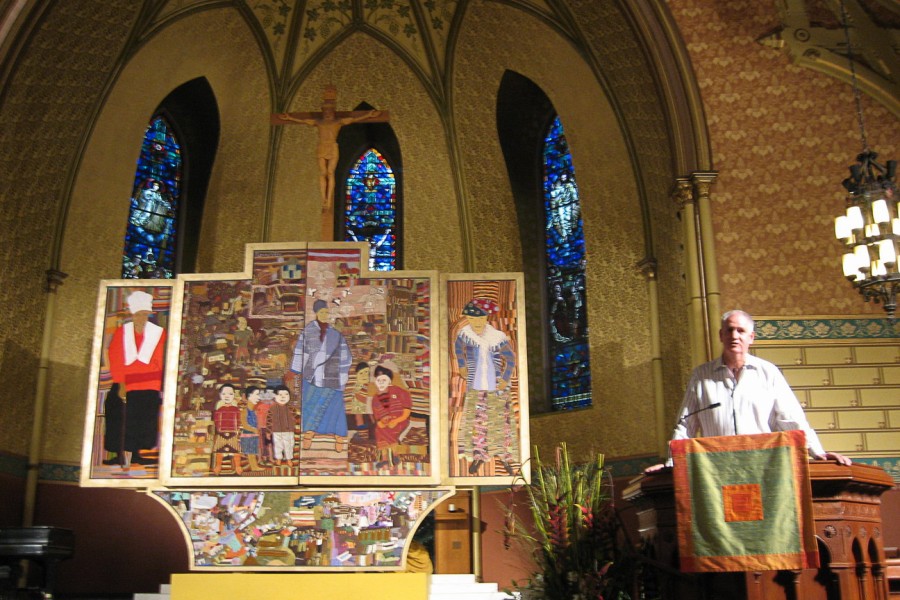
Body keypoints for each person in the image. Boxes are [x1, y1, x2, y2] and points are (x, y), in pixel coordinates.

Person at [645, 310, 851, 473]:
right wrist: (672, 463)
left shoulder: (768, 372)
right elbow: (685, 424)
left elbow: (791, 419)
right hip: (716, 470)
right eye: (729, 330)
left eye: (741, 331)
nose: (734, 336)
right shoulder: (701, 375)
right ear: (721, 335)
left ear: (751, 337)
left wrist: (818, 453)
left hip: (761, 467)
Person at [454, 297, 518, 475]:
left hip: (495, 387)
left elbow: (510, 358)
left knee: (499, 422)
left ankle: (503, 457)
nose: (476, 322)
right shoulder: (466, 335)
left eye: (480, 318)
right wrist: (462, 365)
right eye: (472, 319)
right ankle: (479, 456)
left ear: (486, 318)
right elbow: (458, 347)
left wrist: (505, 378)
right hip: (476, 385)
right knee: (478, 422)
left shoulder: (497, 338)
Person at [106, 290, 166, 468]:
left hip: (149, 383)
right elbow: (116, 357)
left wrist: (155, 381)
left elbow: (159, 358)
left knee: (144, 419)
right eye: (138, 315)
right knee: (118, 415)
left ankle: (137, 454)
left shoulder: (158, 333)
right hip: (125, 381)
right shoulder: (122, 332)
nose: (141, 318)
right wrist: (121, 383)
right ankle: (119, 454)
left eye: (145, 315)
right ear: (133, 314)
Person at [289, 299, 352, 453]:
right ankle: (309, 434)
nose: (325, 315)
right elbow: (300, 352)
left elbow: (346, 356)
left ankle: (339, 436)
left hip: (333, 376)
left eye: (326, 312)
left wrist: (343, 373)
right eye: (322, 312)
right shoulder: (308, 332)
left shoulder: (336, 334)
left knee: (335, 407)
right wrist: (296, 371)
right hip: (312, 376)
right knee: (311, 405)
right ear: (316, 313)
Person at [370, 364, 412, 468]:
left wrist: (396, 420)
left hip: (401, 419)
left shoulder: (400, 391)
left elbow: (406, 412)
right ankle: (384, 459)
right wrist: (380, 422)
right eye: (378, 380)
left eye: (383, 380)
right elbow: (376, 416)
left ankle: (395, 455)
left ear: (389, 381)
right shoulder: (375, 398)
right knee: (379, 429)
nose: (381, 382)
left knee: (390, 429)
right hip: (385, 421)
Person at [212, 383, 242, 475]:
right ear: (220, 395)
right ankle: (218, 466)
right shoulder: (219, 410)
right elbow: (216, 421)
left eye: (230, 394)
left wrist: (238, 430)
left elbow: (239, 420)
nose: (227, 396)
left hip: (233, 432)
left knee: (236, 450)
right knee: (219, 450)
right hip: (221, 432)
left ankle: (238, 466)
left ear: (234, 395)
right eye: (224, 394)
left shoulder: (236, 409)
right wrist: (219, 429)